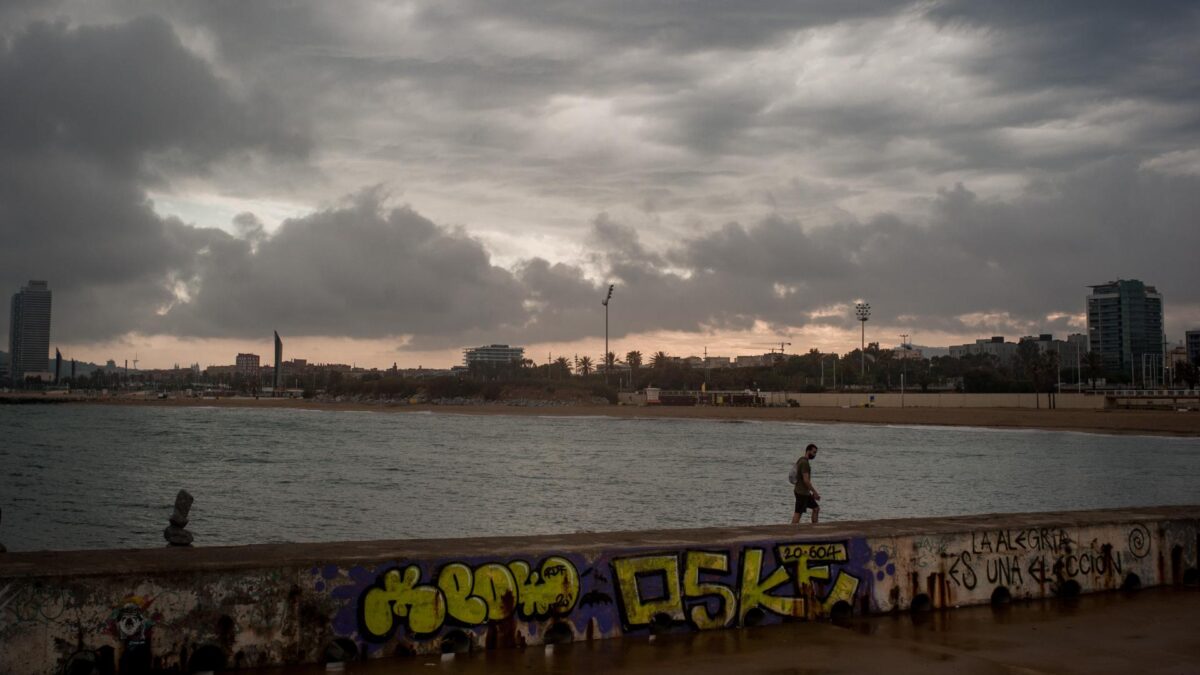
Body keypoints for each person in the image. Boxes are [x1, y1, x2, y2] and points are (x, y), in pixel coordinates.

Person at [790, 443, 820, 524]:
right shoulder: (804, 463)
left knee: (816, 508)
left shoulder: (801, 460)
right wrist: (815, 492)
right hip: (801, 493)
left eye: (815, 453)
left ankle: (814, 528)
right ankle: (791, 531)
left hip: (804, 492)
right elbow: (806, 480)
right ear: (808, 451)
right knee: (798, 513)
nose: (815, 455)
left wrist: (810, 492)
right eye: (814, 452)